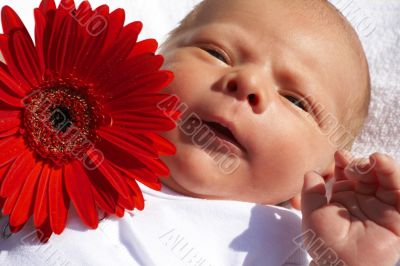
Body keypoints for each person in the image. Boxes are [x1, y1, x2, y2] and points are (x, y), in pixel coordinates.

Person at [0, 0, 399, 265]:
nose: (248, 84)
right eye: (216, 53)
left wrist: (350, 258)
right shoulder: (54, 134)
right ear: (150, 61)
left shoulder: (288, 240)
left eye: (295, 100)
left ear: (322, 180)